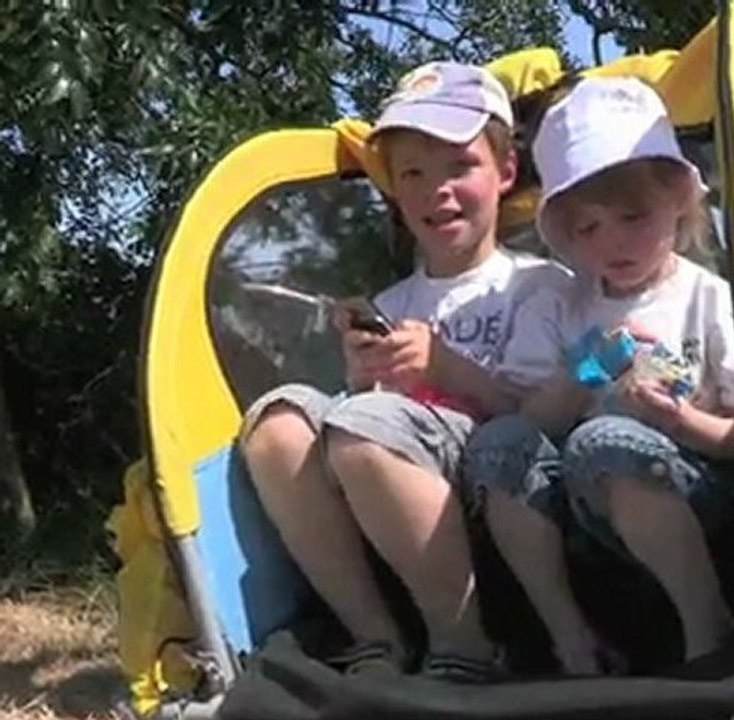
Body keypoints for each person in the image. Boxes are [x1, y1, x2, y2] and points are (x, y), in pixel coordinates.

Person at [240, 60, 570, 682]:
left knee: (366, 427)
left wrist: (445, 365)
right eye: (412, 173)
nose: (434, 189)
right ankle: (376, 639)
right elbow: (359, 420)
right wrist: (365, 374)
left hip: (503, 493)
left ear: (505, 173)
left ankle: (467, 642)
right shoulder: (391, 305)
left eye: (458, 167)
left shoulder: (539, 287)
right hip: (390, 482)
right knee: (280, 421)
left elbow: (546, 422)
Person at [464, 76, 734, 676]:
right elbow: (529, 423)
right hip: (576, 510)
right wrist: (590, 367)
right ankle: (571, 639)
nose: (613, 242)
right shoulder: (559, 304)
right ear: (563, 234)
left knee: (606, 442)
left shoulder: (710, 299)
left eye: (632, 216)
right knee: (497, 445)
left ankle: (710, 636)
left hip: (693, 489)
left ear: (679, 200)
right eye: (588, 228)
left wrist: (682, 418)